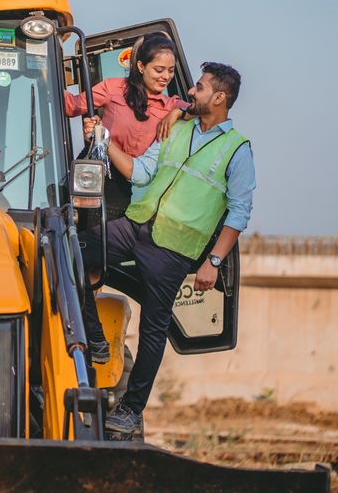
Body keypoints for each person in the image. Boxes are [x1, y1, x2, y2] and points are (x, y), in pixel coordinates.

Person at [80, 62, 255, 439]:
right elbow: (142, 172)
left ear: (220, 97)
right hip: (137, 224)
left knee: (153, 329)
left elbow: (239, 213)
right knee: (71, 251)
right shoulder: (176, 127)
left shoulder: (237, 150)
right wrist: (105, 139)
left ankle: (130, 410)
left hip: (174, 249)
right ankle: (95, 337)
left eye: (201, 87)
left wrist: (213, 261)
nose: (191, 92)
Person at [64, 34, 189, 364]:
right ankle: (94, 337)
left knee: (93, 261)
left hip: (125, 188)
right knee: (73, 255)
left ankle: (94, 339)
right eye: (158, 69)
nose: (165, 77)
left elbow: (197, 107)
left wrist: (178, 112)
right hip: (93, 174)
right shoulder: (113, 89)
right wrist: (39, 70)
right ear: (140, 66)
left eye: (170, 71)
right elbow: (70, 105)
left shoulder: (170, 105)